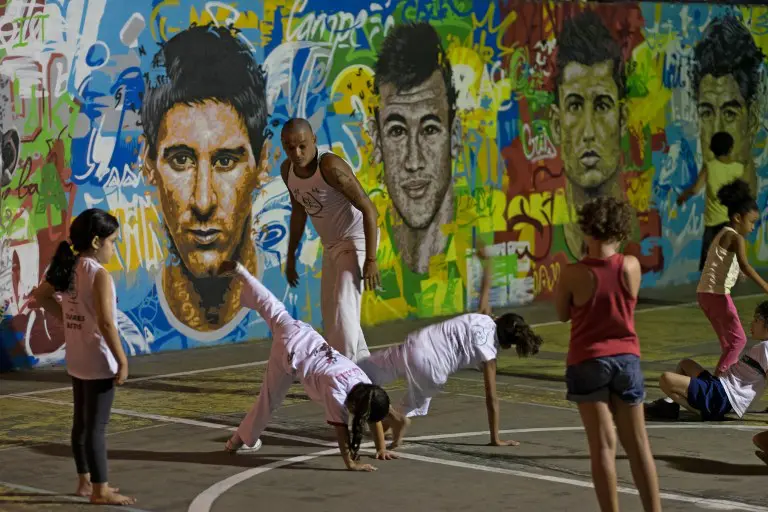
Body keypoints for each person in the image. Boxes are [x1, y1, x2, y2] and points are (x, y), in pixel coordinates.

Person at [140, 24, 269, 334]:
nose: (203, 201)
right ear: (149, 164)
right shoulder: (125, 327)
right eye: (181, 160)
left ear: (262, 163)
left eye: (225, 161)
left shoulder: (300, 302)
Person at [219, 260, 406, 471]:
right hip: (291, 353)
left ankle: (242, 273)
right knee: (268, 400)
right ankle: (235, 442)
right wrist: (352, 463)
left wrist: (381, 449)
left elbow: (372, 415)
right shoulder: (337, 393)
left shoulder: (363, 383)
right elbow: (342, 434)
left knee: (273, 307)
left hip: (302, 334)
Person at [357, 244, 542, 447]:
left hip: (416, 346)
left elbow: (485, 288)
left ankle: (358, 401)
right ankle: (391, 423)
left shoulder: (483, 317)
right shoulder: (489, 355)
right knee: (406, 407)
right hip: (433, 371)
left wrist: (486, 262)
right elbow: (492, 399)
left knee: (365, 373)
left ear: (498, 319)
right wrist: (495, 438)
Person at [555, 197, 661, 512]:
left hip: (587, 359)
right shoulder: (630, 265)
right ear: (619, 230)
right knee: (639, 445)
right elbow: (628, 302)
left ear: (587, 230)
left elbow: (562, 314)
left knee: (603, 447)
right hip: (627, 359)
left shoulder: (572, 273)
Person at [30, 209, 135, 506]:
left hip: (77, 358)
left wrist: (69, 317)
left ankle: (84, 482)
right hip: (98, 360)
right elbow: (106, 323)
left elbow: (41, 295)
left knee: (81, 423)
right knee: (97, 427)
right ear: (96, 241)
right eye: (113, 241)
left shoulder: (69, 266)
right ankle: (100, 490)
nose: (115, 247)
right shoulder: (98, 274)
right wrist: (122, 360)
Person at [280, 118, 380, 362]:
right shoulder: (288, 171)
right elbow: (298, 212)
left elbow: (369, 209)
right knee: (331, 311)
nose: (297, 153)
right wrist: (291, 256)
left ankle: (341, 372)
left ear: (314, 139)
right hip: (332, 245)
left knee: (344, 308)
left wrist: (371, 259)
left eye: (302, 145)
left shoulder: (330, 168)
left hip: (355, 241)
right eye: (290, 147)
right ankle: (365, 367)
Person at [369, 21, 460, 274]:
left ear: (455, 135)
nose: (413, 161)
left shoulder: (480, 247)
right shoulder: (361, 253)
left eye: (429, 129)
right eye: (397, 131)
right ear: (377, 141)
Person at [645, 300, 768, 423]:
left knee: (666, 379)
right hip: (719, 386)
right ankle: (671, 405)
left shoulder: (766, 347)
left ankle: (705, 412)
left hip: (723, 395)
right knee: (685, 364)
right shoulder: (762, 346)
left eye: (757, 320)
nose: (752, 324)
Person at [697, 179, 767, 375]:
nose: (753, 227)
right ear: (738, 218)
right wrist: (765, 285)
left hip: (705, 294)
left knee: (729, 343)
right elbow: (745, 264)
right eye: (751, 222)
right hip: (717, 295)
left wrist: (736, 272)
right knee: (739, 341)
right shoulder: (736, 237)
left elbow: (720, 261)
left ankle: (721, 376)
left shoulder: (722, 234)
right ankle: (720, 382)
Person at [677, 132, 746, 271]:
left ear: (712, 148)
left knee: (709, 265)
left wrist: (683, 196)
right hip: (732, 221)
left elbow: (695, 189)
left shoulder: (709, 166)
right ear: (731, 148)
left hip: (713, 223)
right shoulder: (739, 168)